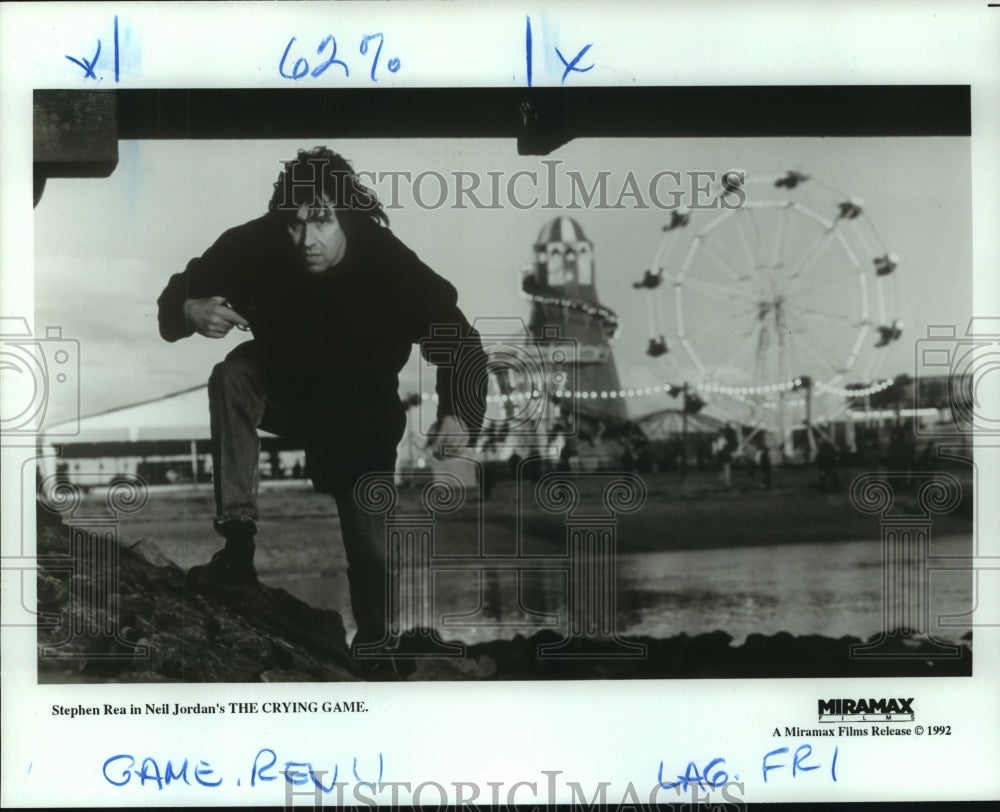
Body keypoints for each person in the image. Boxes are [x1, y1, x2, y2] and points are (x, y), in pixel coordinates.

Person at [157, 146, 487, 656]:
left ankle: (377, 642)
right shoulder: (255, 245)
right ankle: (237, 552)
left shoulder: (390, 265)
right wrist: (186, 309)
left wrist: (458, 414)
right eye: (294, 225)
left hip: (362, 414)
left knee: (372, 559)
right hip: (283, 386)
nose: (307, 240)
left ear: (347, 218)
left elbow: (460, 342)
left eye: (322, 221)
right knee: (231, 375)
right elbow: (174, 301)